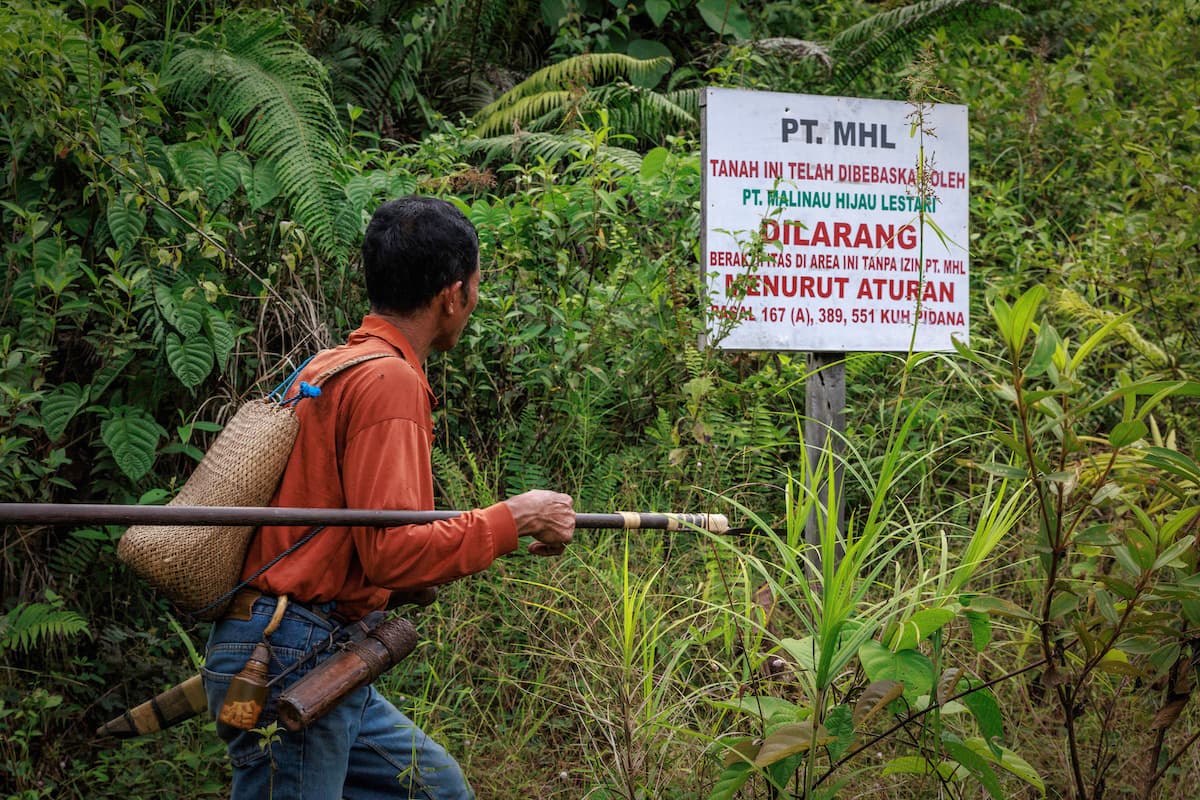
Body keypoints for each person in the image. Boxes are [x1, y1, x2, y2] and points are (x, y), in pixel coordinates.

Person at [201, 196, 575, 799]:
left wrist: (402, 581)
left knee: (437, 790)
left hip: (313, 645)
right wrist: (517, 518)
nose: (473, 303)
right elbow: (391, 551)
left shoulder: (334, 364)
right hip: (289, 651)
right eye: (475, 287)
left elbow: (349, 540)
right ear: (452, 294)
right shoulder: (390, 381)